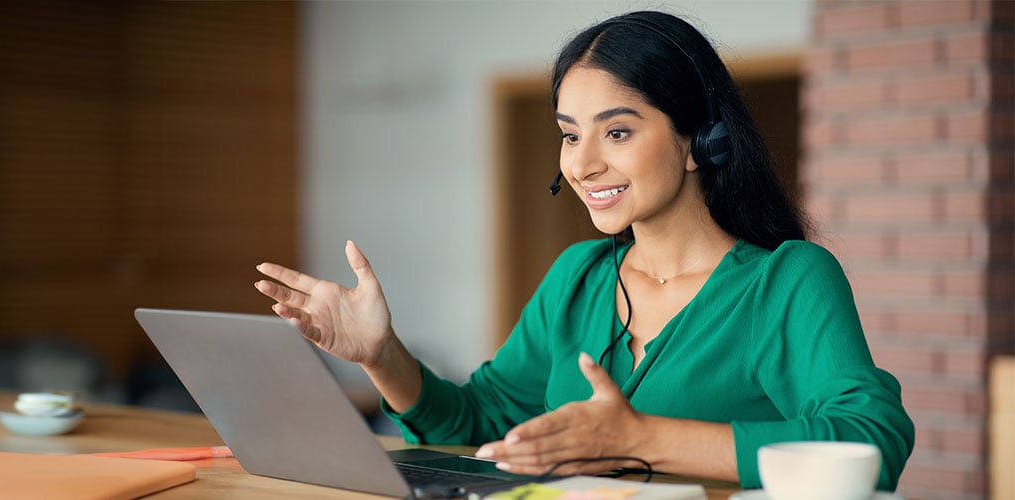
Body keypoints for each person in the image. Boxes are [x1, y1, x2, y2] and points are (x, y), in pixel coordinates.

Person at [254, 10, 914, 490]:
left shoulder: (788, 282)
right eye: (571, 136)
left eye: (617, 132)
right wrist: (382, 354)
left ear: (697, 142)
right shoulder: (578, 276)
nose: (584, 164)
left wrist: (642, 438)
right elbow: (481, 421)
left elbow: (871, 442)